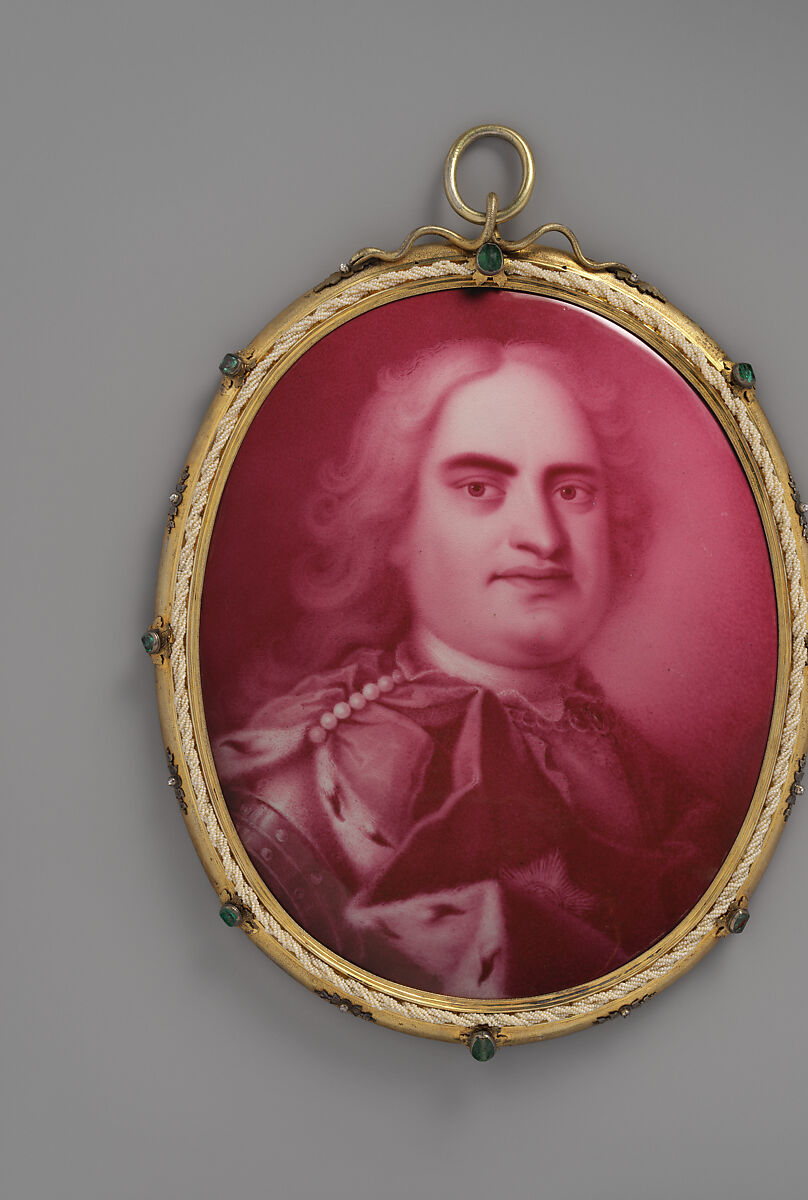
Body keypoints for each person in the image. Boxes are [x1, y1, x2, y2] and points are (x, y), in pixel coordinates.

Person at [213, 341, 719, 999]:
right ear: (395, 523)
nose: (542, 536)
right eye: (479, 488)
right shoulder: (312, 789)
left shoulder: (653, 780)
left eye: (572, 491)